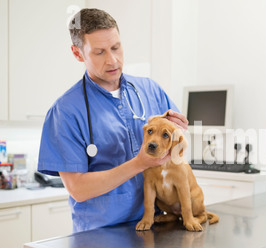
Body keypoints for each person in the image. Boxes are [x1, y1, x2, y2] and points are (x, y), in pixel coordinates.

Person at [38, 8, 188, 232]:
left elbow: (179, 150)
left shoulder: (150, 90)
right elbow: (78, 188)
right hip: (100, 235)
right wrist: (138, 164)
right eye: (99, 52)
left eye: (116, 47)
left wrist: (180, 135)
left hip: (154, 227)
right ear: (78, 54)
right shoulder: (65, 112)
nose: (113, 60)